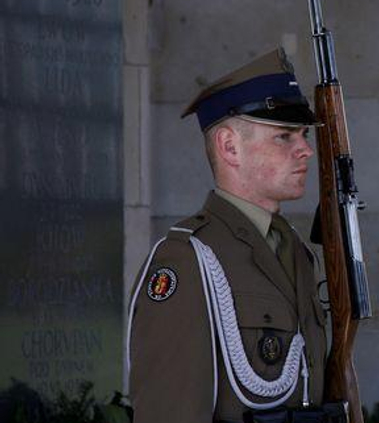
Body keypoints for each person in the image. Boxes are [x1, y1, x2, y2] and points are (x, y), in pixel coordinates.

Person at [127, 48, 337, 423]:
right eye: (284, 137)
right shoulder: (187, 259)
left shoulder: (297, 251)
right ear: (229, 147)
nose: (305, 150)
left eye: (303, 135)